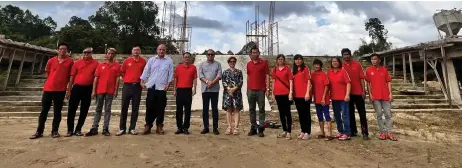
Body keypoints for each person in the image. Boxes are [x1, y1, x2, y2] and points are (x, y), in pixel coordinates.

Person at [30, 42, 74, 139]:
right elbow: (48, 74)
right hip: (48, 89)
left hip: (60, 90)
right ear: (58, 50)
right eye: (61, 49)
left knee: (57, 111)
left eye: (64, 49)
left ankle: (55, 131)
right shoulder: (51, 60)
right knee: (44, 111)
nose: (62, 51)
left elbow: (71, 77)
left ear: (67, 51)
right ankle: (39, 131)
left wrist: (68, 90)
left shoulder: (70, 62)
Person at [85, 48, 120, 137]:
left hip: (110, 90)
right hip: (100, 90)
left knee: (107, 110)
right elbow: (96, 78)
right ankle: (94, 128)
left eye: (112, 54)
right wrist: (93, 91)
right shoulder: (101, 65)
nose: (110, 55)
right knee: (98, 109)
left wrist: (116, 90)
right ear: (106, 54)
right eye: (108, 53)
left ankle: (105, 128)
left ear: (114, 55)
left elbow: (117, 79)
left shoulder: (117, 65)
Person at [140, 44, 174, 135]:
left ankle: (159, 126)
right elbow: (146, 70)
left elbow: (171, 73)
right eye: (160, 49)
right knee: (149, 106)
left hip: (162, 87)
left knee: (161, 107)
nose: (161, 51)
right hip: (152, 86)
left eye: (163, 49)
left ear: (165, 50)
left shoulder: (169, 60)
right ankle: (148, 125)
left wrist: (168, 83)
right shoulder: (152, 60)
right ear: (157, 50)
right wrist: (142, 80)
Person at [65, 47, 98, 137]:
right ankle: (70, 130)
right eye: (85, 52)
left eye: (88, 52)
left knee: (84, 110)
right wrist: (68, 90)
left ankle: (78, 129)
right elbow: (72, 77)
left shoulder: (95, 63)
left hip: (88, 88)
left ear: (91, 53)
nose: (86, 54)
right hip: (77, 87)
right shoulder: (77, 63)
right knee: (72, 109)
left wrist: (94, 91)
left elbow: (96, 77)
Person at [365, 54, 397, 141]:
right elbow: (367, 83)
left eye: (375, 59)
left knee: (388, 114)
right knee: (379, 114)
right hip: (375, 96)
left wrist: (390, 93)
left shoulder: (384, 69)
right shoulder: (368, 70)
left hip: (385, 95)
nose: (373, 61)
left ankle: (389, 132)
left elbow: (389, 82)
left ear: (379, 60)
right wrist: (370, 94)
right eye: (372, 59)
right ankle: (382, 132)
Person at [117, 45, 147, 136]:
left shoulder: (143, 61)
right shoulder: (127, 61)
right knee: (124, 107)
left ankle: (132, 128)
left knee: (135, 108)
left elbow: (145, 73)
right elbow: (122, 71)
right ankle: (122, 128)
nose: (136, 51)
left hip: (137, 87)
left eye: (138, 50)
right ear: (132, 51)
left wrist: (142, 82)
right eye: (134, 50)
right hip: (127, 86)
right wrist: (126, 78)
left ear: (140, 51)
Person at [341, 48, 369, 140]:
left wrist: (363, 91)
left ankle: (365, 132)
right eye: (344, 54)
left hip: (358, 92)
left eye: (347, 54)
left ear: (350, 55)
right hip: (348, 94)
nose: (346, 56)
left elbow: (361, 78)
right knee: (350, 113)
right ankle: (353, 131)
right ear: (342, 56)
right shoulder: (341, 66)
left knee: (362, 113)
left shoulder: (357, 65)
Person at [246, 46, 270, 137]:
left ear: (259, 53)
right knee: (251, 109)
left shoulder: (264, 63)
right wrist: (247, 89)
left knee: (261, 109)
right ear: (251, 54)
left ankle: (261, 128)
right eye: (253, 52)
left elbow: (267, 75)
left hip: (260, 90)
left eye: (256, 52)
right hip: (250, 90)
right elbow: (248, 76)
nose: (255, 54)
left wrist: (268, 89)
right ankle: (253, 127)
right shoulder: (248, 64)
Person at [198, 49, 222, 135]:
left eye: (212, 54)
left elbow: (219, 75)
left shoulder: (218, 64)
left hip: (215, 90)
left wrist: (212, 82)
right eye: (209, 54)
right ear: (206, 55)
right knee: (205, 109)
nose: (210, 56)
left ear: (214, 55)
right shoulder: (202, 64)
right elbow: (200, 75)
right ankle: (206, 127)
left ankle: (215, 128)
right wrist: (208, 82)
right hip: (205, 90)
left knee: (215, 109)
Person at [327, 57, 352, 141]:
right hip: (334, 98)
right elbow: (327, 85)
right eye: (333, 61)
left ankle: (347, 133)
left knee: (345, 115)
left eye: (336, 61)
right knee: (337, 115)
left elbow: (348, 83)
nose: (334, 63)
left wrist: (347, 95)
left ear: (339, 62)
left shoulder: (343, 71)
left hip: (343, 98)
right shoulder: (329, 72)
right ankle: (340, 131)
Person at [173, 52, 197, 135]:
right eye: (185, 57)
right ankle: (179, 127)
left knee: (187, 110)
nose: (186, 58)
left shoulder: (193, 68)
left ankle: (186, 127)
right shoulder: (178, 68)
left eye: (188, 57)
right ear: (183, 58)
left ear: (190, 58)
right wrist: (174, 90)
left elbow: (194, 79)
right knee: (179, 110)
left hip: (188, 90)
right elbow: (176, 79)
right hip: (180, 90)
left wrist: (195, 89)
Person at [272, 54, 294, 140]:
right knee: (281, 113)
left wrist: (291, 92)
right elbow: (273, 82)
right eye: (279, 59)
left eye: (282, 59)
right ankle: (284, 130)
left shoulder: (287, 69)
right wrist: (273, 93)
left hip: (286, 93)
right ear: (277, 60)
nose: (280, 60)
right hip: (278, 94)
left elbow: (291, 81)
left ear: (284, 60)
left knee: (287, 113)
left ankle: (289, 131)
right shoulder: (275, 69)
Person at [311, 59, 334, 141]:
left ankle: (330, 134)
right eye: (315, 64)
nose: (316, 66)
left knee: (327, 115)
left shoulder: (323, 74)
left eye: (318, 65)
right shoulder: (312, 75)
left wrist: (323, 97)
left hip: (324, 99)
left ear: (320, 66)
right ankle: (322, 133)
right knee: (319, 116)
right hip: (317, 99)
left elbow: (327, 86)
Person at [222, 56, 243, 135]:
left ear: (235, 62)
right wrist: (228, 89)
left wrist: (234, 89)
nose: (232, 63)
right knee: (229, 110)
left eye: (233, 61)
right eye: (230, 61)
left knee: (236, 110)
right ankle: (229, 127)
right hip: (227, 94)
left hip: (237, 93)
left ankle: (236, 128)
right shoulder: (225, 72)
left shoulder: (239, 72)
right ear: (228, 62)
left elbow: (241, 82)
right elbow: (223, 82)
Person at [292, 54, 311, 140]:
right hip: (297, 96)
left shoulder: (306, 68)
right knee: (300, 114)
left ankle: (307, 132)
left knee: (306, 114)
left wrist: (307, 93)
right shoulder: (294, 70)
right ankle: (303, 131)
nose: (298, 61)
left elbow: (309, 81)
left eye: (299, 59)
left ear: (302, 60)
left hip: (305, 95)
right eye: (296, 59)